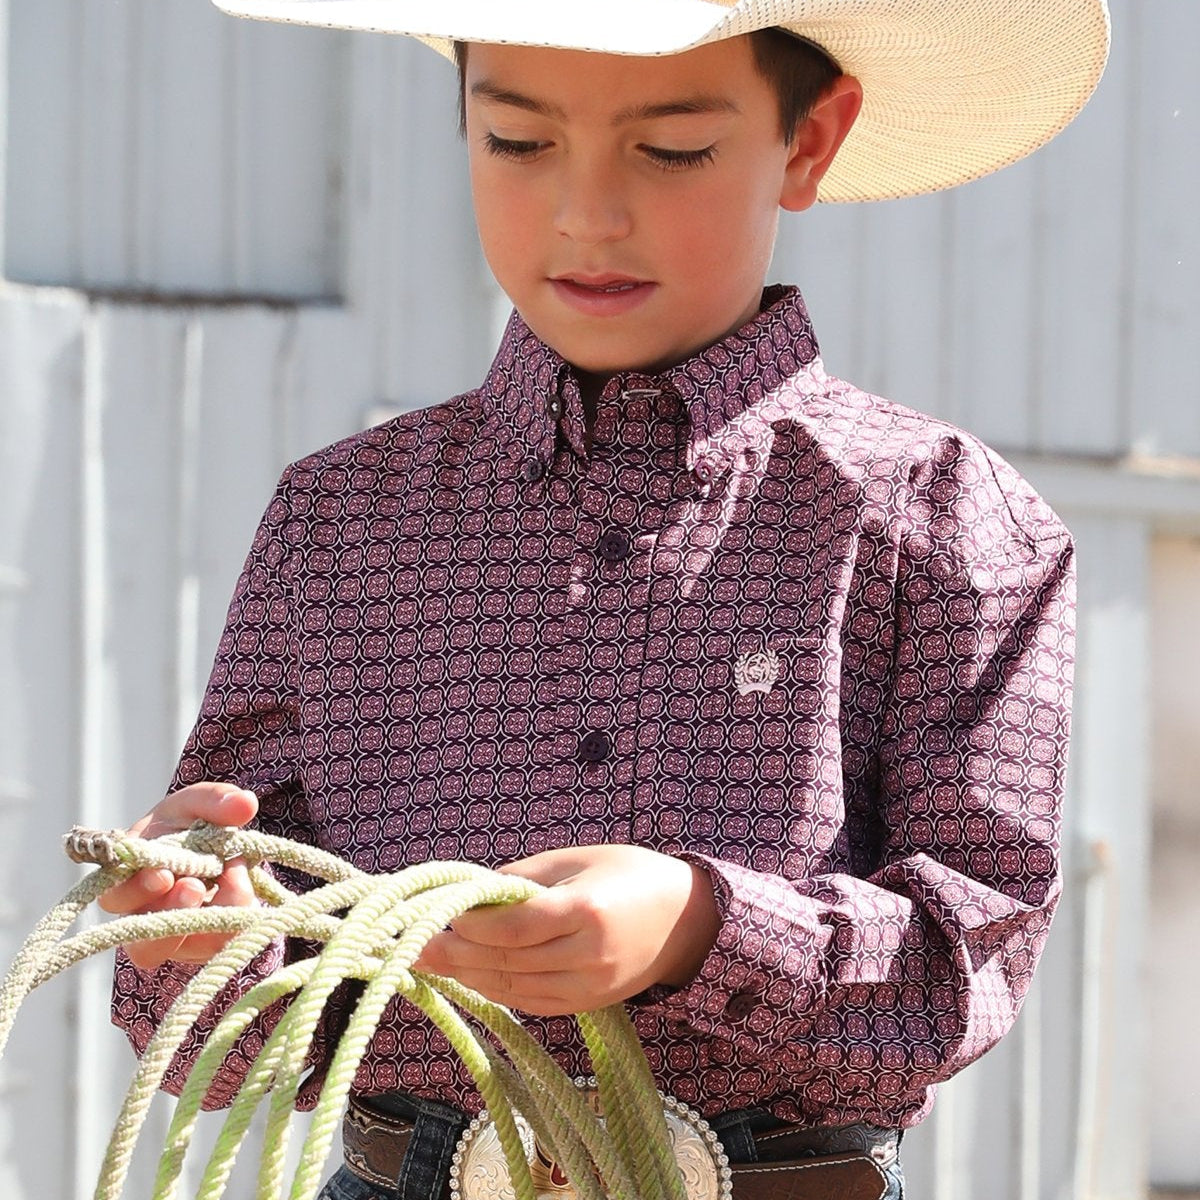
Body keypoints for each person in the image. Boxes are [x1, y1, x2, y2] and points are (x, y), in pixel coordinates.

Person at [100, 3, 1110, 1199]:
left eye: (672, 149)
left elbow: (971, 958)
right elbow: (240, 1034)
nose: (586, 213)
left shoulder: (945, 518)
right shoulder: (342, 520)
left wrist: (700, 924)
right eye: (519, 142)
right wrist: (196, 940)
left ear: (809, 141)